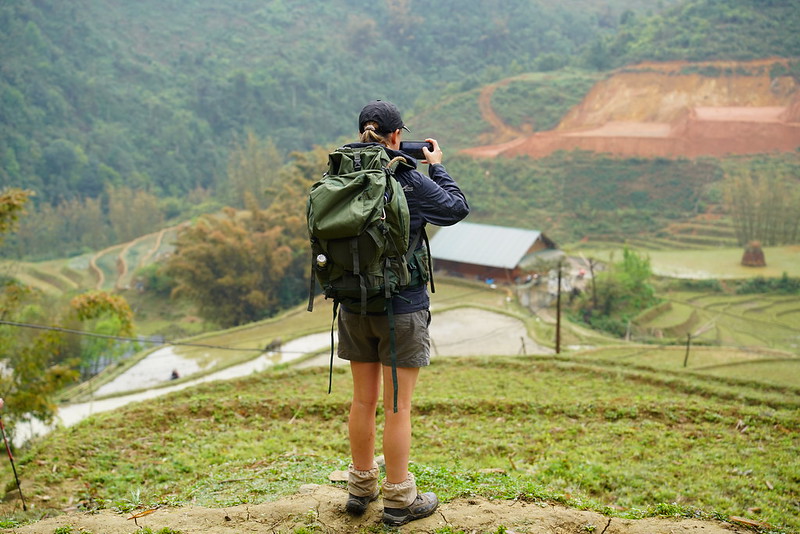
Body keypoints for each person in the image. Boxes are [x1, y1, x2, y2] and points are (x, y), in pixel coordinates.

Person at [339, 100, 469, 526]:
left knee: (362, 400)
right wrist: (437, 166)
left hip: (354, 303)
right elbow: (454, 208)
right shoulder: (405, 176)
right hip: (402, 308)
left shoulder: (340, 172)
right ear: (397, 137)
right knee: (398, 407)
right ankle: (399, 500)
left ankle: (360, 488)